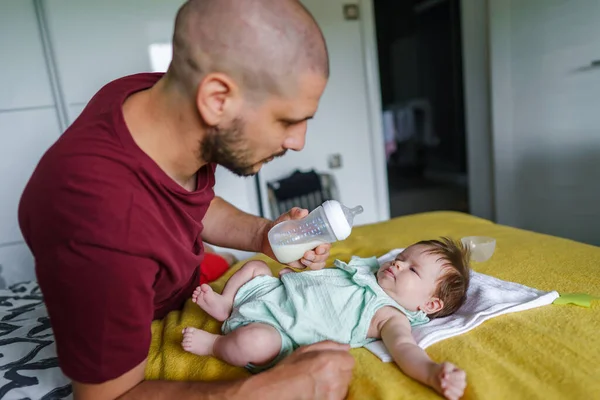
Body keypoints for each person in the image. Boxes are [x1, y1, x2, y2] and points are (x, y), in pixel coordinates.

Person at [18, 0, 356, 399]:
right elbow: (107, 397)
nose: (298, 142)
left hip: (186, 280)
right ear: (216, 99)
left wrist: (265, 235)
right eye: (287, 120)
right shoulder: (99, 224)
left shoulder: (143, 99)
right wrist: (267, 389)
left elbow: (182, 203)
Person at [182, 238, 470, 400]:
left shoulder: (390, 316)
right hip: (273, 292)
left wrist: (432, 372)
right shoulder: (371, 272)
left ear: (429, 304)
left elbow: (406, 349)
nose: (397, 262)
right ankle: (224, 304)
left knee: (249, 343)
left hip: (279, 331)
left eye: (412, 269)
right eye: (402, 256)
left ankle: (215, 345)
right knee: (256, 265)